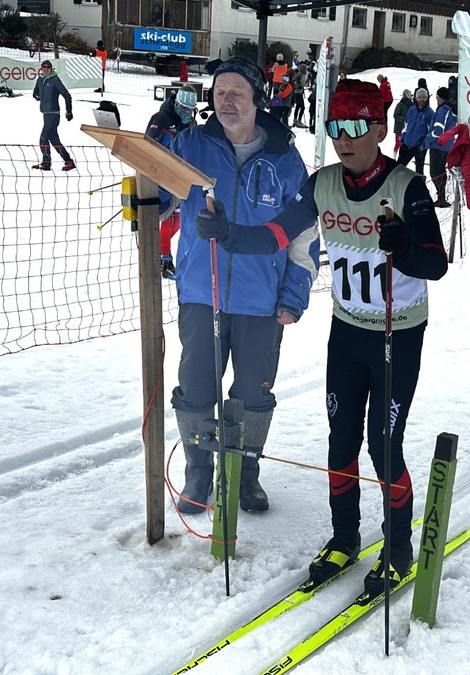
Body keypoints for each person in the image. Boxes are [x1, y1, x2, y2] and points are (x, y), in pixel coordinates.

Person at [194, 78, 447, 593]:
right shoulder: (322, 183)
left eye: (356, 127)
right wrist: (229, 235)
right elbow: (278, 233)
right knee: (341, 440)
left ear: (380, 130)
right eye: (335, 127)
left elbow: (435, 264)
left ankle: (398, 548)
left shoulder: (407, 187)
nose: (344, 138)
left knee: (384, 445)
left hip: (397, 334)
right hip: (348, 332)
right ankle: (344, 537)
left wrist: (405, 246)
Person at [160, 56, 318, 514]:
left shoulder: (285, 160)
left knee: (252, 394)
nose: (225, 101)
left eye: (236, 93)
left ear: (257, 101)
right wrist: (146, 183)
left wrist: (293, 295)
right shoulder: (191, 144)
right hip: (199, 293)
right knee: (195, 388)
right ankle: (198, 472)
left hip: (261, 302)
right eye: (219, 93)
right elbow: (162, 199)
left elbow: (304, 234)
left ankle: (245, 473)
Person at [145, 86, 198, 279]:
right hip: (162, 176)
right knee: (166, 214)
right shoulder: (162, 118)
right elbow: (148, 144)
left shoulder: (190, 122)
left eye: (190, 110)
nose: (187, 113)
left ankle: (164, 255)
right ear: (176, 103)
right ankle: (163, 258)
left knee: (179, 218)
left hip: (181, 176)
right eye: (184, 108)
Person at [31, 60, 75, 171]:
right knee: (54, 140)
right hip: (45, 113)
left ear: (51, 68)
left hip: (54, 114)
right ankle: (69, 161)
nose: (46, 69)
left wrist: (69, 111)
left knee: (43, 138)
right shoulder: (40, 80)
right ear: (41, 68)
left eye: (48, 67)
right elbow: (36, 92)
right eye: (44, 67)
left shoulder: (55, 80)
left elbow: (67, 95)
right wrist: (36, 96)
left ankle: (46, 163)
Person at [425, 86, 457, 208]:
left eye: (437, 96)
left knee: (434, 173)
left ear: (441, 97)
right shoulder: (451, 110)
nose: (436, 98)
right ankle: (442, 197)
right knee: (441, 171)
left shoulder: (442, 110)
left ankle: (441, 197)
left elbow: (438, 130)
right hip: (447, 146)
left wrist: (429, 139)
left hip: (438, 146)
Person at [397, 88, 433, 175]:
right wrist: (403, 138)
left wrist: (423, 146)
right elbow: (405, 125)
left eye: (424, 97)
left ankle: (419, 184)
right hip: (406, 144)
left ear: (427, 98)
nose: (422, 99)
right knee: (398, 168)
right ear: (416, 98)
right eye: (419, 97)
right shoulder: (411, 110)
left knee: (419, 172)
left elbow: (431, 132)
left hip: (419, 147)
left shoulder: (430, 113)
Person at [392, 88, 413, 159]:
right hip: (399, 128)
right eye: (407, 94)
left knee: (406, 144)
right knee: (398, 143)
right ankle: (394, 156)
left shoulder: (412, 105)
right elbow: (395, 115)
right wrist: (403, 119)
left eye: (410, 94)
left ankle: (403, 157)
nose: (409, 96)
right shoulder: (400, 104)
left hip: (408, 128)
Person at [291, 63, 308, 127]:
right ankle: (298, 120)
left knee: (298, 106)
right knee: (302, 107)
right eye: (305, 68)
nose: (306, 70)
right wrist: (297, 86)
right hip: (297, 92)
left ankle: (296, 120)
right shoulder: (300, 74)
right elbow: (293, 80)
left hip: (300, 92)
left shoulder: (303, 74)